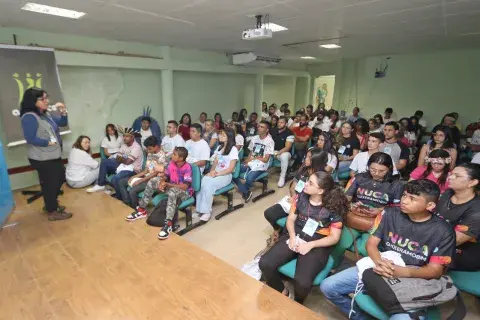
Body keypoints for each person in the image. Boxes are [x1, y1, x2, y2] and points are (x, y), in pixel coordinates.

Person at [321, 179, 456, 320]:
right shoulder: (389, 213)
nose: (404, 201)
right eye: (404, 195)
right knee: (328, 286)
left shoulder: (443, 231)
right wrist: (379, 262)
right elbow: (371, 244)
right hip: (381, 265)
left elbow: (435, 271)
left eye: (412, 199)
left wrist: (399, 271)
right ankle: (360, 317)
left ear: (430, 205)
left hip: (414, 277)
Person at [259, 172, 349, 304]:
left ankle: (297, 302)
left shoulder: (334, 207)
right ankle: (282, 291)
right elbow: (290, 220)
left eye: (310, 183)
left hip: (317, 243)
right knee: (265, 263)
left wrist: (310, 245)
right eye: (308, 180)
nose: (305, 184)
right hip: (297, 234)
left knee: (302, 283)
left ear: (320, 190)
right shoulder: (300, 197)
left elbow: (334, 237)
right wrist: (292, 236)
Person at [20, 88, 72, 221]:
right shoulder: (29, 117)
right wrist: (47, 142)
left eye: (46, 97)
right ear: (33, 101)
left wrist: (63, 111)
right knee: (51, 183)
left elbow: (62, 123)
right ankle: (52, 210)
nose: (46, 101)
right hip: (42, 158)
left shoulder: (45, 114)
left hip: (52, 155)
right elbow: (30, 138)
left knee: (59, 178)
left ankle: (50, 205)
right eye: (43, 99)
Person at [265, 149, 330, 243]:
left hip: (309, 207)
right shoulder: (304, 170)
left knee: (293, 225)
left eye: (309, 158)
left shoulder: (323, 178)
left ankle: (283, 237)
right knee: (269, 213)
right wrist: (294, 198)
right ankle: (277, 229)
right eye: (306, 156)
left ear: (316, 161)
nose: (305, 159)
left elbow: (321, 199)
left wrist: (300, 202)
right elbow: (293, 187)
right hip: (295, 201)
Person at [435, 163, 480, 271]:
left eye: (457, 176)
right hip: (435, 240)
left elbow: (455, 240)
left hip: (461, 252)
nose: (450, 177)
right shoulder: (448, 194)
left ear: (472, 182)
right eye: (451, 174)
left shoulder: (477, 209)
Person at [345, 152, 404, 229]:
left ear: (389, 169)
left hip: (380, 221)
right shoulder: (360, 178)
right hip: (356, 215)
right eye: (373, 169)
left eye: (382, 171)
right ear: (368, 166)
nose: (376, 173)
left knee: (367, 240)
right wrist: (351, 205)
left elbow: (398, 207)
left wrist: (381, 210)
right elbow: (347, 197)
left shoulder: (396, 185)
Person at [87, 127, 144, 198]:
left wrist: (121, 158)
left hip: (133, 170)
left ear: (132, 137)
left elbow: (127, 162)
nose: (124, 138)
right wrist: (122, 158)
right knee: (104, 162)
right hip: (123, 166)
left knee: (115, 179)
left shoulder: (136, 147)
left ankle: (121, 197)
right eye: (124, 136)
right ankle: (100, 185)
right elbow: (118, 157)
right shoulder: (124, 145)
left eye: (127, 136)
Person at [194, 129, 238, 222]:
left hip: (226, 175)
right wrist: (212, 171)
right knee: (202, 181)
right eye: (220, 135)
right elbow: (214, 163)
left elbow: (230, 169)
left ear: (229, 138)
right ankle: (199, 209)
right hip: (216, 173)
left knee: (209, 184)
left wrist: (217, 174)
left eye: (223, 135)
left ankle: (206, 211)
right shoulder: (219, 148)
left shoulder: (233, 149)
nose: (220, 137)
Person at [119, 136, 166, 208]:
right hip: (146, 176)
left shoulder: (162, 156)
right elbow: (147, 170)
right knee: (122, 182)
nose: (148, 151)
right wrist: (134, 177)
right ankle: (127, 204)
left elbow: (154, 174)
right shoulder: (151, 153)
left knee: (132, 191)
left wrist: (140, 180)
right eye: (147, 148)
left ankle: (134, 209)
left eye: (149, 148)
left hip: (153, 180)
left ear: (156, 146)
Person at [157, 147, 194, 240]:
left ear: (181, 158)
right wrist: (162, 182)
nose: (172, 155)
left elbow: (185, 186)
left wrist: (168, 184)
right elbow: (166, 176)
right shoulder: (172, 163)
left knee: (173, 191)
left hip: (185, 192)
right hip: (172, 188)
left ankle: (168, 224)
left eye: (174, 154)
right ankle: (141, 209)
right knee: (154, 180)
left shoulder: (187, 167)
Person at [234, 120, 274, 203]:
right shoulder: (255, 138)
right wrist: (247, 161)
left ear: (267, 130)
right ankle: (246, 191)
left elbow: (266, 159)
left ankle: (244, 189)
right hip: (252, 162)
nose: (259, 128)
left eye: (262, 127)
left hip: (262, 165)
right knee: (234, 171)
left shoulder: (270, 141)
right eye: (258, 126)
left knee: (249, 178)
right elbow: (251, 153)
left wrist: (253, 158)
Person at [271, 116, 294, 187]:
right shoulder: (273, 130)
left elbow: (287, 148)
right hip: (273, 151)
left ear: (286, 124)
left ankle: (282, 177)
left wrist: (277, 153)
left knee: (284, 155)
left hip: (284, 153)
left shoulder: (289, 133)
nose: (279, 124)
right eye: (278, 122)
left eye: (282, 122)